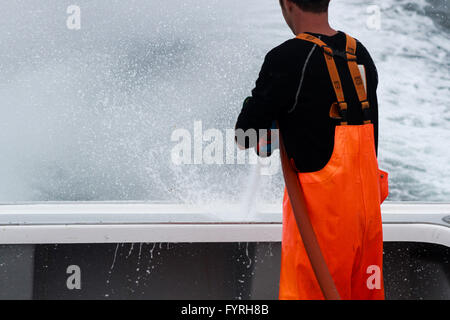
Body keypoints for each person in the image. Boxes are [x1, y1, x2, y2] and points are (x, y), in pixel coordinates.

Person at [235, 0, 386, 300]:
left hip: (321, 229)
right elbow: (371, 142)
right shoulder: (360, 55)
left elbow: (246, 135)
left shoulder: (286, 59)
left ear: (287, 3)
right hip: (367, 224)